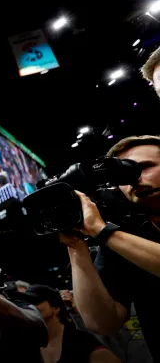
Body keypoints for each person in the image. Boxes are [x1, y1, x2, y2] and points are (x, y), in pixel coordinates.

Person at [60, 135, 160, 360]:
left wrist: (102, 231)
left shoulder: (113, 236)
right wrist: (75, 245)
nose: (134, 179)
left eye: (144, 167)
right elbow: (102, 322)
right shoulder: (124, 236)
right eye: (123, 174)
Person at [17, 285, 121, 363]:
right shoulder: (27, 345)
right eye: (26, 302)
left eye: (36, 301)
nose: (30, 306)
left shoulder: (83, 342)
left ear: (56, 308)